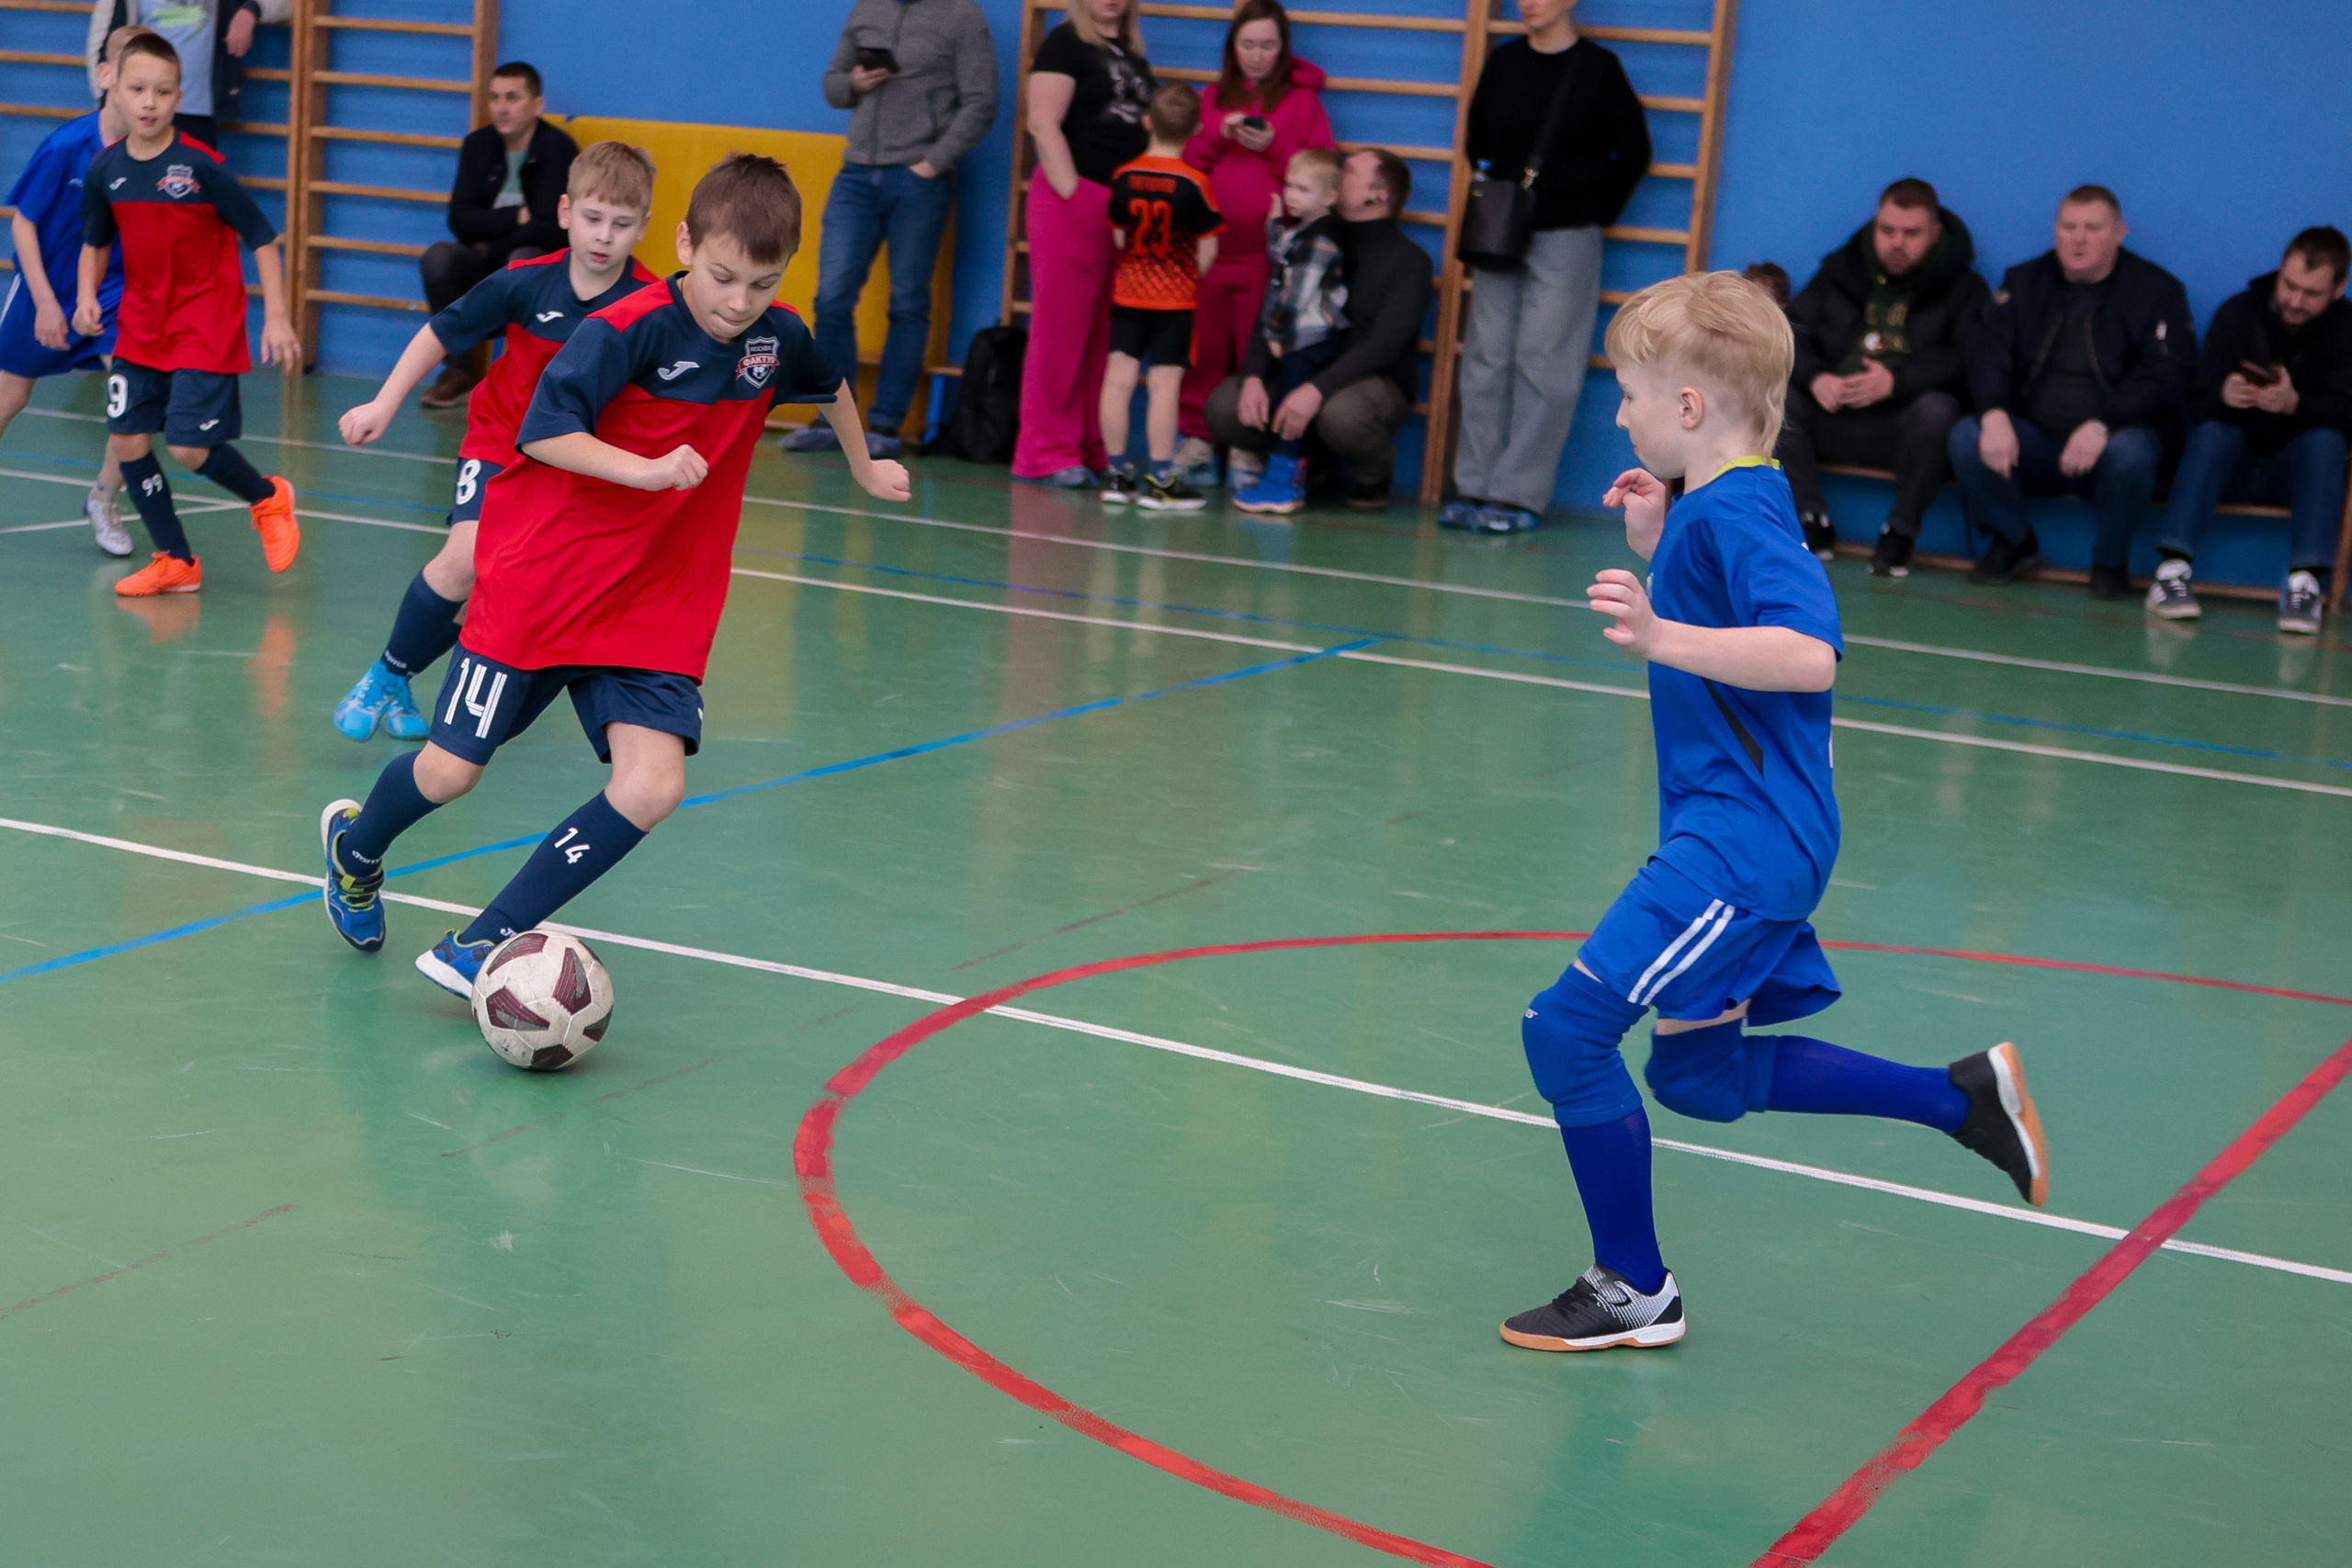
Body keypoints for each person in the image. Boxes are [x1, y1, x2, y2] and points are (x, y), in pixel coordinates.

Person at [1501, 271, 2051, 1354]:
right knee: (1695, 1077)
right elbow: (1729, 605)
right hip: (1746, 833)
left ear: (1689, 405)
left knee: (1563, 1033)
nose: (1621, 415)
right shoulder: (1719, 502)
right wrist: (1660, 544)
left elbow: (1806, 654)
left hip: (1740, 844)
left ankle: (1633, 1287)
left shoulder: (1744, 509)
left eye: (1629, 395)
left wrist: (1659, 633)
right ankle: (1962, 1100)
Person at [319, 153, 912, 993]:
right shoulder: (627, 328)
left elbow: (829, 382)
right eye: (722, 277)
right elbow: (541, 431)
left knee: (654, 785)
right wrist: (644, 470)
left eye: (763, 283)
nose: (738, 302)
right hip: (545, 581)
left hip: (656, 602)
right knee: (450, 771)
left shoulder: (776, 338)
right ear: (686, 244)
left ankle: (482, 943)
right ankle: (356, 850)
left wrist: (863, 464)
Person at [329, 141, 662, 743]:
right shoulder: (526, 282)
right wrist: (384, 402)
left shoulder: (650, 306)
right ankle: (385, 674)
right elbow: (441, 331)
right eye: (592, 218)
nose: (604, 236)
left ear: (644, 226)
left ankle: (403, 678)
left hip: (573, 463)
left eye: (621, 224)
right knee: (465, 559)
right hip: (501, 442)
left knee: (500, 593)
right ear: (565, 212)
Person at [74, 30, 300, 598]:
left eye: (163, 91)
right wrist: (84, 297)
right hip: (140, 325)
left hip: (204, 322)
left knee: (188, 448)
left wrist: (276, 316)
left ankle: (268, 498)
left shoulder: (202, 167)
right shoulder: (105, 170)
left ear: (180, 97)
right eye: (138, 89)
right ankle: (176, 560)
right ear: (115, 90)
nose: (149, 102)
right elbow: (95, 242)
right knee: (128, 440)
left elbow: (262, 236)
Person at [1445, 0, 1649, 535]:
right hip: (1502, 231)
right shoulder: (1505, 62)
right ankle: (1473, 486)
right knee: (1486, 358)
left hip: (1568, 233)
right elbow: (1477, 140)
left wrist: (1592, 211)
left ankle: (1517, 494)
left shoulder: (1598, 69)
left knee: (1547, 363)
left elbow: (1634, 152)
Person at [1949, 186, 2195, 595]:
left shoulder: (2157, 290)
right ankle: (2013, 540)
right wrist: (1993, 413)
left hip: (2114, 443)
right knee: (1967, 436)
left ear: (2119, 234)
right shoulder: (2023, 282)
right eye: (2069, 227)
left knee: (2131, 453)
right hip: (2035, 442)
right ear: (2056, 231)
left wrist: (2103, 425)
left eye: (2093, 228)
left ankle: (2110, 563)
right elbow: (1987, 352)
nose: (2078, 239)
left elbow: (2168, 374)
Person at [784, 0, 997, 460]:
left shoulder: (962, 15)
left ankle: (885, 425)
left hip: (919, 180)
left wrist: (932, 164)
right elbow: (833, 85)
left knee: (908, 303)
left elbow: (982, 101)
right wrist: (854, 83)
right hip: (857, 174)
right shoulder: (867, 9)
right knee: (831, 299)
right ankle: (833, 419)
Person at [1779, 177, 1989, 577]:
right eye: (1887, 230)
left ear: (1934, 233)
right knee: (1776, 396)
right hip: (1832, 413)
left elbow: (1969, 360)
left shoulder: (1964, 288)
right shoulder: (1840, 271)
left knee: (1938, 410)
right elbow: (1788, 334)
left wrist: (1896, 382)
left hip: (1903, 427)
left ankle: (1901, 533)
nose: (1897, 243)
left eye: (1911, 233)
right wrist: (1817, 377)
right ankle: (1809, 519)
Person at [2148, 228, 2352, 635]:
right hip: (2231, 466)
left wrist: (2296, 405)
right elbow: (2195, 402)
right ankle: (2171, 573)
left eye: (2311, 293)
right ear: (2279, 271)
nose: (2295, 301)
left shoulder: (2349, 329)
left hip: (2300, 475)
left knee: (2326, 441)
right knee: (2212, 433)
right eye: (2289, 285)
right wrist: (2223, 394)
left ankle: (2305, 585)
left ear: (2338, 288)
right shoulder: (2238, 313)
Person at [1204, 149, 1428, 510]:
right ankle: (1309, 461)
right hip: (1302, 365)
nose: (1339, 173)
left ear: (1378, 196)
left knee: (1341, 414)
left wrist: (1317, 389)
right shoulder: (1309, 237)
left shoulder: (1409, 261)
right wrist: (1254, 376)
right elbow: (1274, 308)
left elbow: (1384, 345)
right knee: (1225, 406)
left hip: (1371, 381)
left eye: (1350, 172)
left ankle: (1374, 473)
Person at [1176, 0, 1331, 488]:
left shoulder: (1303, 104)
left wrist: (1275, 149)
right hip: (1207, 250)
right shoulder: (1210, 97)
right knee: (1202, 349)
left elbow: (1321, 177)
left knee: (1256, 352)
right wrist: (1218, 138)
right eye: (1248, 45)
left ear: (1283, 48)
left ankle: (1247, 443)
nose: (1258, 56)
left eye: (1268, 45)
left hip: (1268, 256)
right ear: (1232, 47)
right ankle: (1197, 439)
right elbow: (1185, 166)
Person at [3, 23, 141, 557]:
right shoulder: (66, 145)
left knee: (135, 393)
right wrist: (43, 303)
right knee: (10, 397)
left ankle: (104, 497)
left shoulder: (157, 156)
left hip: (112, 291)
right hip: (48, 284)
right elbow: (23, 223)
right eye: (132, 77)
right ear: (106, 76)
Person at [1012, 0, 1152, 486]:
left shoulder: (1130, 53)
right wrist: (1075, 195)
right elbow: (1042, 123)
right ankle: (1046, 451)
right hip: (1076, 199)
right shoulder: (1066, 43)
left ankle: (1091, 446)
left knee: (1102, 337)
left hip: (1120, 207)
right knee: (1061, 332)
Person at [417, 62, 578, 408]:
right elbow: (459, 219)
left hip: (537, 267)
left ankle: (523, 377)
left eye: (512, 98)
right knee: (439, 258)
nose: (501, 107)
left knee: (524, 259)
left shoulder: (559, 149)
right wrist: (514, 216)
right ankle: (459, 370)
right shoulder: (477, 145)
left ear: (537, 105)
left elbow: (552, 228)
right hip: (483, 263)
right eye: (494, 98)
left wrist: (493, 243)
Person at [1097, 83, 1220, 511]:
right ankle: (1162, 480)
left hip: (1130, 292)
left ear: (1147, 122)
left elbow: (1119, 237)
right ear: (1197, 129)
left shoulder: (1123, 176)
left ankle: (1117, 474)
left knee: (1118, 379)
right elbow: (1208, 249)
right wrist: (1185, 277)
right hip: (1175, 300)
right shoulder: (1196, 183)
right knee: (1165, 385)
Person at [1231, 148, 1346, 516]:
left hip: (1310, 338)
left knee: (1288, 407)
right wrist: (1274, 227)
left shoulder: (1321, 240)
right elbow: (1283, 257)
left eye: (1303, 190)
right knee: (1284, 399)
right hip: (1302, 335)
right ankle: (1285, 479)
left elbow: (1297, 293)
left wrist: (1276, 335)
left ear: (1330, 197)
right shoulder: (1305, 231)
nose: (1292, 195)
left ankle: (1283, 485)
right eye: (1289, 186)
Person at [85, 0, 289, 149]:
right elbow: (101, 44)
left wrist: (251, 10)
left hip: (196, 115)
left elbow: (289, 5)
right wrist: (107, 101)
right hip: (138, 113)